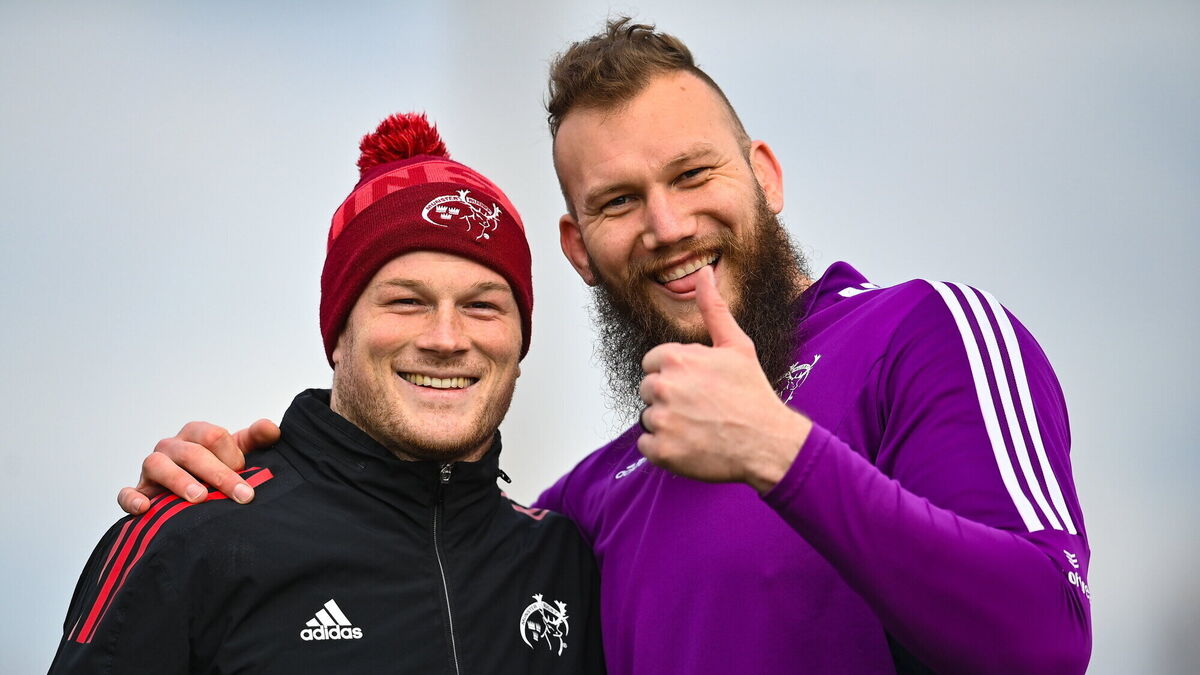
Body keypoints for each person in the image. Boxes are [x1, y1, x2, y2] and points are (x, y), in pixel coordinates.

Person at [115, 18, 1092, 674]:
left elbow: (1044, 638)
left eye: (693, 174)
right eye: (619, 201)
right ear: (579, 250)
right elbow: (429, 540)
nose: (667, 225)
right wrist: (254, 476)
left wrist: (779, 452)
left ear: (764, 175)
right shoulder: (586, 506)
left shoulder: (922, 333)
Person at [51, 113, 604, 674]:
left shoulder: (563, 563)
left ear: (519, 342)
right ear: (338, 333)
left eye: (482, 305)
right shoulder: (191, 537)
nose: (446, 339)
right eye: (406, 301)